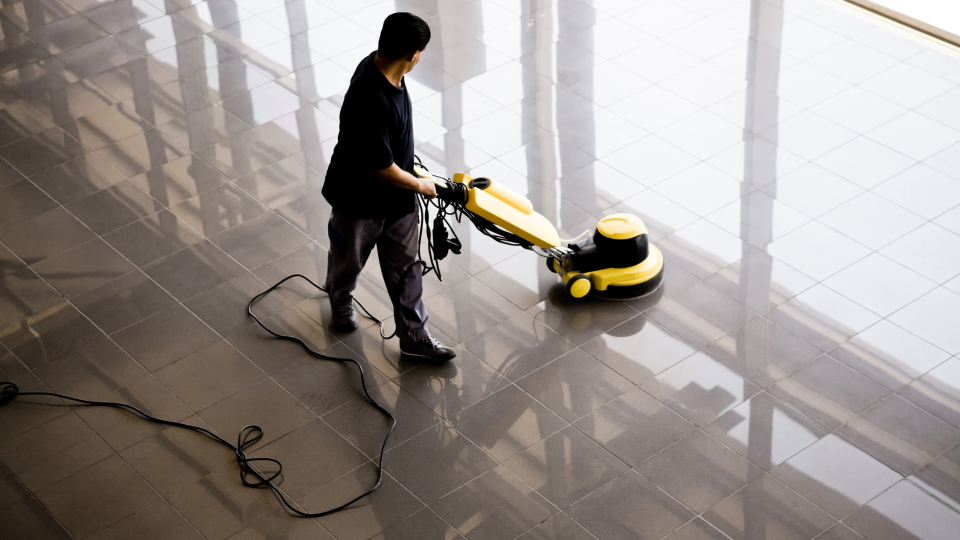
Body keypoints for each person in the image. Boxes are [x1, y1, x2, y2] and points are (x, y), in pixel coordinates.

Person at [321, 12, 455, 362]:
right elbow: (379, 167)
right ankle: (340, 296)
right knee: (348, 261)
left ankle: (414, 335)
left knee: (407, 269)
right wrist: (420, 185)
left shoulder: (390, 70)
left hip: (397, 202)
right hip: (358, 203)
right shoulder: (370, 96)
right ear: (414, 54)